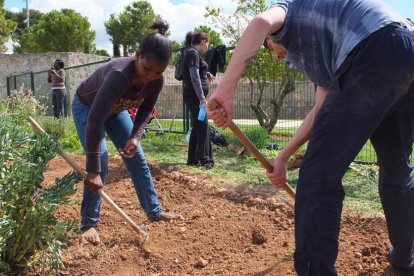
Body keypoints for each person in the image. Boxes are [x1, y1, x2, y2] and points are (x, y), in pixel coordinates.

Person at [208, 1, 414, 275]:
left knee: (317, 178)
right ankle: (404, 259)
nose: (278, 57)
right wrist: (283, 156)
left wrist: (225, 89)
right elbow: (320, 110)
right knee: (397, 170)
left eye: (271, 49)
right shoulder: (328, 50)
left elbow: (259, 23)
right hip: (406, 50)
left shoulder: (288, 9)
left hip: (372, 48)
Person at [72, 19, 182, 245]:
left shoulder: (156, 80)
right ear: (137, 55)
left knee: (136, 156)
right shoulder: (119, 75)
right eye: (146, 69)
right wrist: (93, 170)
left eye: (157, 72)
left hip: (116, 110)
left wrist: (135, 136)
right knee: (99, 159)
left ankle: (154, 211)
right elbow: (94, 120)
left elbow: (146, 108)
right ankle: (89, 224)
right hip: (87, 108)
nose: (149, 76)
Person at [182, 31, 215, 169]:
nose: (208, 46)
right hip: (195, 97)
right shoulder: (193, 53)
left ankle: (192, 159)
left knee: (197, 125)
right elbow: (194, 77)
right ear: (203, 41)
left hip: (194, 96)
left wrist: (207, 73)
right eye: (208, 43)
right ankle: (206, 160)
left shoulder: (193, 54)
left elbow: (198, 71)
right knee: (203, 126)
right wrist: (202, 98)